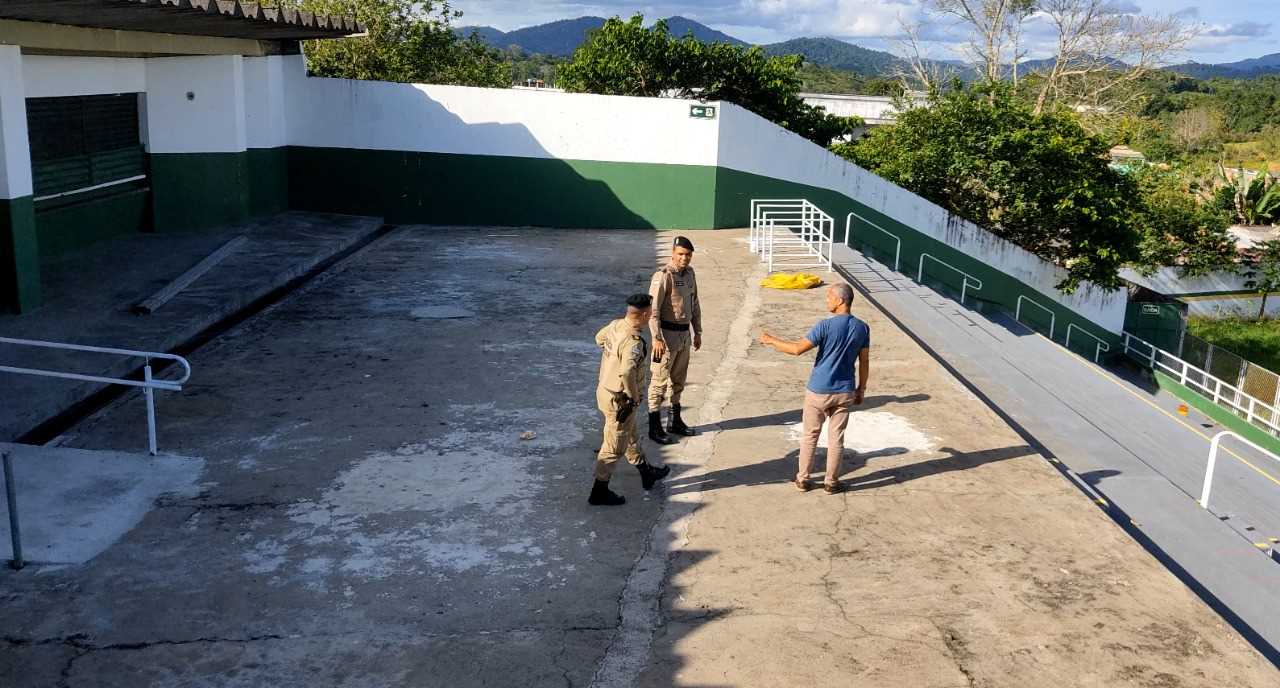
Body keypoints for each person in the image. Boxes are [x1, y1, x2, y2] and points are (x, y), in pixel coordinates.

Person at [760, 283, 870, 494]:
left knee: (810, 435)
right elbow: (864, 362)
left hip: (818, 390)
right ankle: (831, 482)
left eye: (829, 297)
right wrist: (861, 389)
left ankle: (803, 479)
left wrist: (771, 340)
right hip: (845, 390)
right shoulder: (863, 328)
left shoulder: (825, 326)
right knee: (836, 438)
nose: (827, 300)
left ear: (840, 301)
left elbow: (796, 349)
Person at [590, 293, 671, 506]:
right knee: (613, 446)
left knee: (629, 433)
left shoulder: (616, 325)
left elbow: (599, 339)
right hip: (620, 400)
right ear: (644, 314)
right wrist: (634, 396)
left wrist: (612, 362)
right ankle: (599, 491)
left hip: (605, 392)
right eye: (650, 312)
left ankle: (646, 472)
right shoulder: (633, 342)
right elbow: (627, 372)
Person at [647, 236, 702, 445]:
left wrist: (698, 331)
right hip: (667, 337)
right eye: (680, 254)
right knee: (659, 382)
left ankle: (674, 421)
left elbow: (694, 303)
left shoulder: (690, 274)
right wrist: (656, 338)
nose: (684, 258)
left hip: (684, 335)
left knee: (678, 380)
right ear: (672, 254)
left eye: (688, 254)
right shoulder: (663, 276)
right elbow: (653, 311)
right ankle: (654, 426)